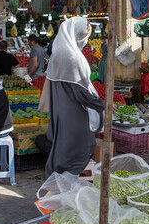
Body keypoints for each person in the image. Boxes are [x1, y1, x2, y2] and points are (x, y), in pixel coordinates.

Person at [43, 17, 105, 177]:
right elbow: (80, 91)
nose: (85, 40)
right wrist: (100, 104)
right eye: (85, 35)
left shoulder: (58, 53)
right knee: (81, 146)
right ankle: (61, 186)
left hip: (60, 110)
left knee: (62, 148)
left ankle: (57, 186)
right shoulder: (72, 57)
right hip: (74, 112)